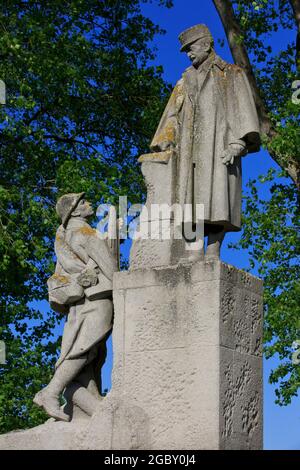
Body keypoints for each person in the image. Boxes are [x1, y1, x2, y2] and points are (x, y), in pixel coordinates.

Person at [150, 24, 261, 259]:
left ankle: (213, 249)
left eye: (191, 48)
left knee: (219, 200)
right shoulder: (184, 81)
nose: (189, 54)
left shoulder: (231, 73)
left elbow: (244, 111)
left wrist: (238, 143)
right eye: (186, 51)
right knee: (190, 201)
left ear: (207, 44)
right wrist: (167, 139)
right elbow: (171, 114)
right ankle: (194, 250)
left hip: (219, 146)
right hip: (190, 152)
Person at [34, 192, 118, 421]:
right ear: (74, 211)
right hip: (98, 296)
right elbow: (111, 269)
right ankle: (50, 392)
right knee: (85, 346)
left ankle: (86, 396)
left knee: (91, 350)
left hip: (79, 300)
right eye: (83, 202)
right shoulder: (86, 233)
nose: (88, 203)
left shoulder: (63, 237)